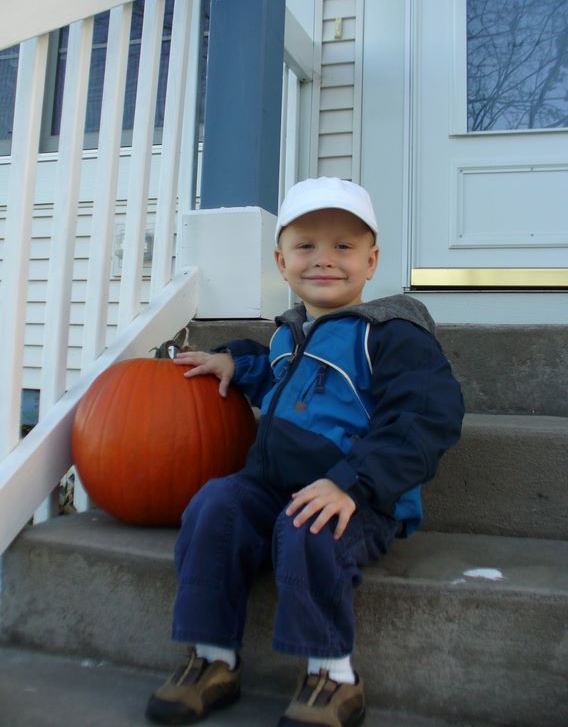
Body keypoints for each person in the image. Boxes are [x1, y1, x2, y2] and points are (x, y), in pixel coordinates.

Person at [145, 177, 464, 727]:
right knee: (214, 506)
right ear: (282, 261)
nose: (324, 259)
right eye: (306, 246)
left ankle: (332, 674)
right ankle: (214, 657)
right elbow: (277, 376)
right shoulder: (287, 335)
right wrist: (234, 362)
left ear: (371, 261)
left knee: (308, 527)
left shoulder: (390, 335)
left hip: (359, 497)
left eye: (343, 246)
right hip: (272, 486)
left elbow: (424, 418)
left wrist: (352, 482)